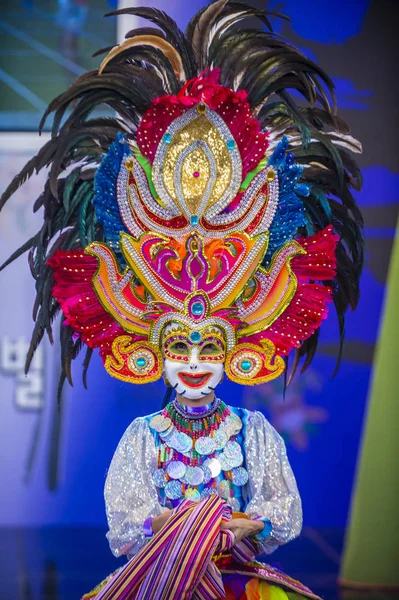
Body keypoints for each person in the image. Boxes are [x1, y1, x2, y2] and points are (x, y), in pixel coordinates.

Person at [0, 2, 363, 598]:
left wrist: (243, 525)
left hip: (238, 580)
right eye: (179, 345)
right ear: (152, 354)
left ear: (239, 353)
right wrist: (171, 527)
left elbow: (283, 515)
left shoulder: (253, 434)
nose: (194, 360)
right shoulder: (144, 437)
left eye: (208, 346)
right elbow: (128, 520)